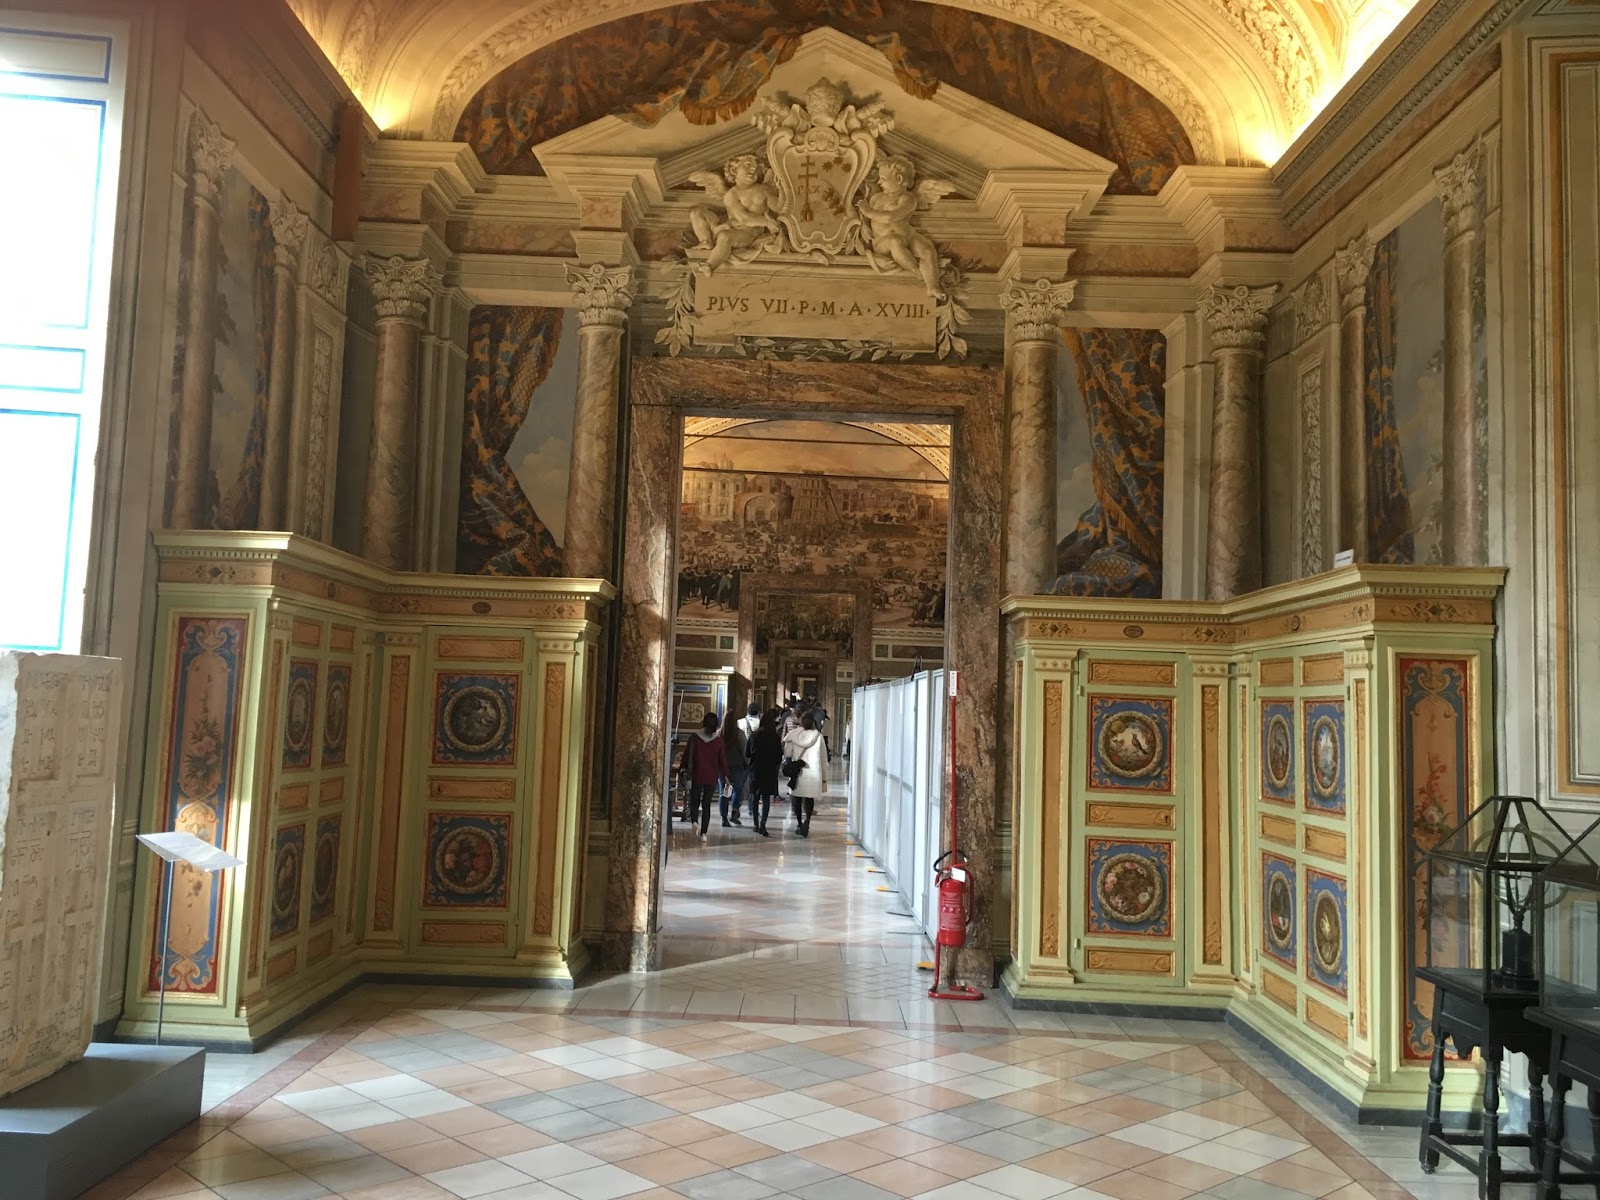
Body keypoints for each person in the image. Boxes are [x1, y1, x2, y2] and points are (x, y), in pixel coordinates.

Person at [682, 712, 727, 839]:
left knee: (694, 800)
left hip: (696, 774)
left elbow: (686, 756)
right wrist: (727, 775)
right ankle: (704, 833)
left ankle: (694, 821)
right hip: (711, 776)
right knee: (706, 804)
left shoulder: (694, 738)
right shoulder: (718, 742)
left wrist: (683, 769)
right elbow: (723, 761)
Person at [782, 711, 827, 838]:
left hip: (798, 771)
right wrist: (825, 777)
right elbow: (823, 757)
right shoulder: (818, 736)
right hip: (813, 771)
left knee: (797, 798)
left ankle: (799, 823)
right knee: (809, 798)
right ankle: (807, 821)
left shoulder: (793, 735)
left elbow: (788, 753)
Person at [745, 708, 784, 837]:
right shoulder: (775, 737)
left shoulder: (754, 735)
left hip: (756, 770)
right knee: (766, 798)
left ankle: (755, 824)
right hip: (769, 770)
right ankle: (763, 824)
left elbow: (748, 753)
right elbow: (779, 755)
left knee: (755, 797)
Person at [718, 709, 748, 828]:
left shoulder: (719, 734)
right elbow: (744, 750)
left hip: (722, 767)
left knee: (724, 792)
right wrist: (747, 763)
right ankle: (735, 811)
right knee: (737, 789)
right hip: (737, 765)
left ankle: (724, 818)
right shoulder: (739, 734)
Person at [734, 702, 761, 820]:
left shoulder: (739, 722)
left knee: (739, 785)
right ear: (758, 712)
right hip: (753, 757)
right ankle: (751, 807)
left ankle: (736, 807)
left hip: (740, 756)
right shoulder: (759, 723)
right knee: (752, 784)